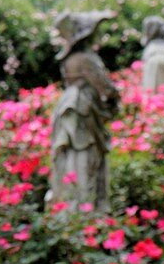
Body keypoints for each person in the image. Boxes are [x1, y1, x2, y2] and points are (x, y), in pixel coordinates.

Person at [50, 11, 119, 211]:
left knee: (74, 154)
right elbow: (106, 87)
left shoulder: (71, 58)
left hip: (71, 105)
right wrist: (114, 101)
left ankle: (74, 201)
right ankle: (83, 204)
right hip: (82, 108)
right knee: (85, 154)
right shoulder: (86, 59)